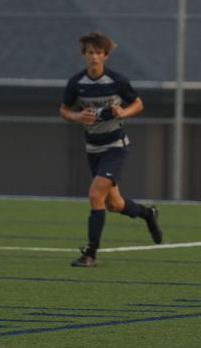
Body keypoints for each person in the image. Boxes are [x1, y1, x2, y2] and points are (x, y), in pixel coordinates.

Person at [60, 31, 162, 267]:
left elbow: (138, 103)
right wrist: (77, 116)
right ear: (83, 56)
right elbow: (64, 110)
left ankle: (90, 254)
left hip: (115, 147)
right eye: (89, 53)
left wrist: (123, 112)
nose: (93, 57)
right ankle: (148, 214)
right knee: (114, 204)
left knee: (95, 194)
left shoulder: (117, 80)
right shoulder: (77, 83)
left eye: (98, 53)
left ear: (105, 56)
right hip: (92, 148)